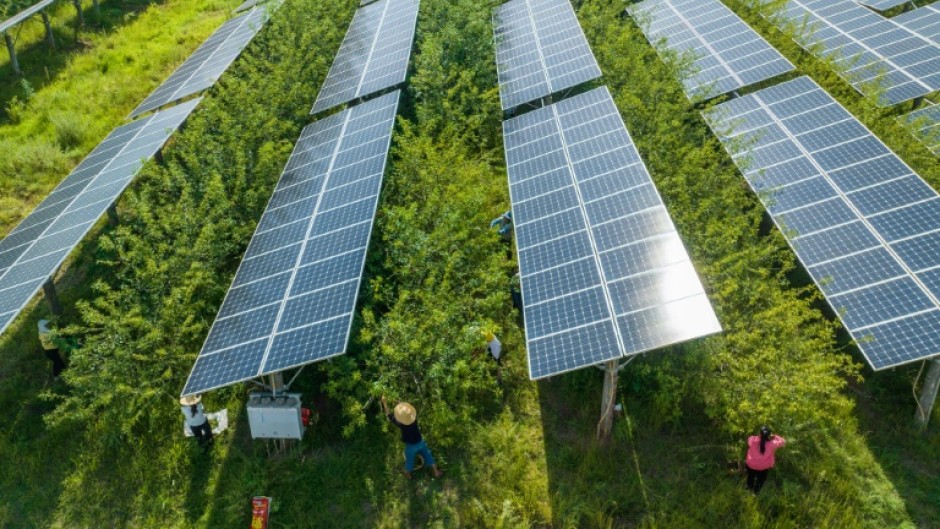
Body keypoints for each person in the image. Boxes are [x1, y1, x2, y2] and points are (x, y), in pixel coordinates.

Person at [381, 396, 443, 479]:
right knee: (428, 456)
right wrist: (399, 403)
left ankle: (408, 475)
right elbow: (406, 410)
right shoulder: (414, 418)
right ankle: (436, 472)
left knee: (409, 461)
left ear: (400, 418)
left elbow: (388, 414)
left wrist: (384, 403)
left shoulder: (400, 424)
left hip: (411, 446)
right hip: (420, 442)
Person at [745, 425, 786, 494]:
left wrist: (759, 437)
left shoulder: (752, 440)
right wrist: (775, 436)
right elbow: (783, 442)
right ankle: (756, 492)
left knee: (750, 476)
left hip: (750, 465)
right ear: (769, 435)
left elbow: (750, 441)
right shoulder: (772, 444)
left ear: (760, 433)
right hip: (762, 467)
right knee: (761, 479)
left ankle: (749, 487)